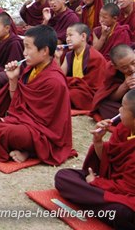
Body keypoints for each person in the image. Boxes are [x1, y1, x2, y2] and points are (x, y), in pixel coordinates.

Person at [0, 25, 77, 165]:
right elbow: (16, 104)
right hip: (23, 124)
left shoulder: (54, 81)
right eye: (24, 47)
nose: (24, 53)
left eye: (28, 47)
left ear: (45, 51)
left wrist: (10, 121)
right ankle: (24, 147)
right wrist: (13, 79)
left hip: (43, 135)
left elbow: (45, 124)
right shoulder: (30, 69)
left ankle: (31, 150)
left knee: (7, 132)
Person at [55, 92, 135, 229]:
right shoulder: (124, 128)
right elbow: (109, 160)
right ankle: (97, 206)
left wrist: (96, 182)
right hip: (112, 186)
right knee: (63, 176)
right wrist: (98, 142)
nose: (119, 110)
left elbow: (128, 188)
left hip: (128, 198)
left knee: (123, 213)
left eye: (123, 107)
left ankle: (92, 201)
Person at [56, 23, 107, 110]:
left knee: (70, 94)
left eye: (71, 35)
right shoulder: (69, 55)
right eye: (66, 36)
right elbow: (59, 77)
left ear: (83, 36)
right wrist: (57, 57)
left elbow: (96, 88)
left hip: (88, 93)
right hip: (76, 88)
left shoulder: (95, 57)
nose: (67, 39)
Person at [91, 44, 135, 120]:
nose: (132, 69)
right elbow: (110, 97)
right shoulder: (111, 71)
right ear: (115, 66)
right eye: (125, 67)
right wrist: (124, 86)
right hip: (126, 104)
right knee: (102, 105)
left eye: (133, 62)